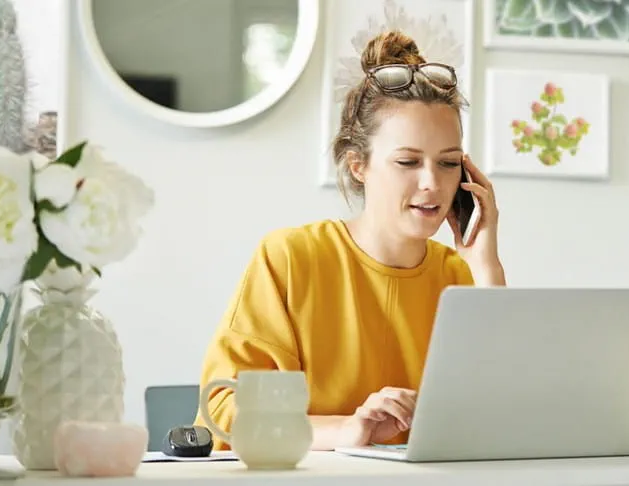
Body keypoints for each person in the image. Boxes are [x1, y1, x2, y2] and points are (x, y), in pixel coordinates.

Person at [194, 30, 506, 452]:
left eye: (448, 163)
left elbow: (503, 418)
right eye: (408, 161)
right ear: (358, 165)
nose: (432, 183)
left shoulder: (460, 274)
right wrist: (347, 430)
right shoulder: (290, 257)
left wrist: (487, 268)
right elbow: (224, 414)